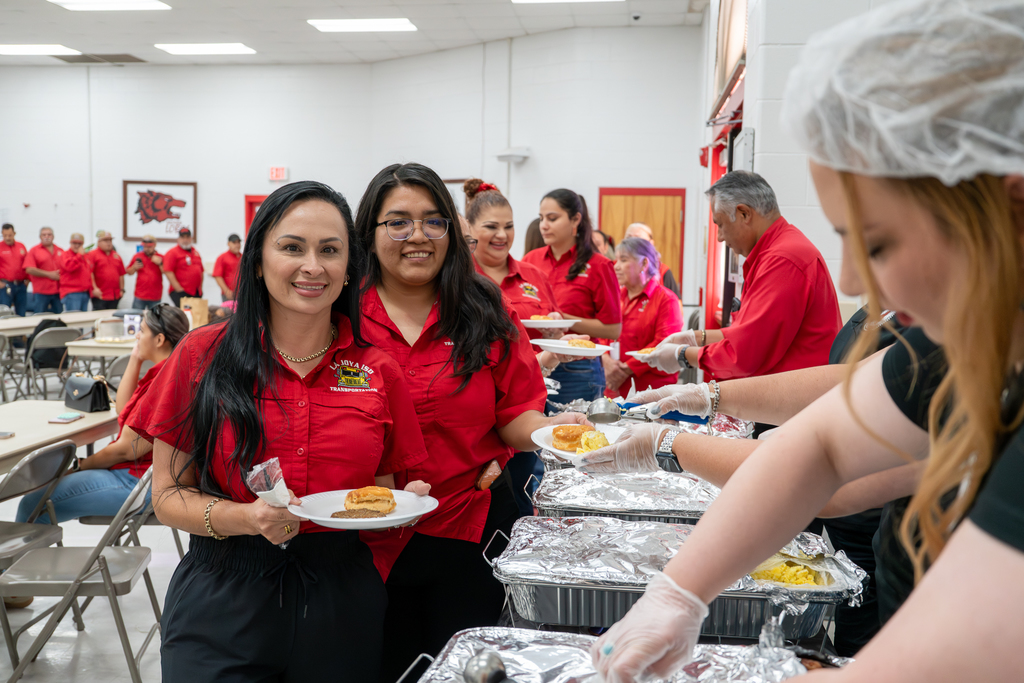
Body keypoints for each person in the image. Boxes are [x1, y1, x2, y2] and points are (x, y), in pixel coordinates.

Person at [590, 3, 1024, 681]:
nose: (853, 278)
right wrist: (680, 588)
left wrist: (674, 432)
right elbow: (818, 442)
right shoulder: (973, 345)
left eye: (875, 242)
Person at [132, 181, 431, 682]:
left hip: (341, 596)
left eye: (330, 250)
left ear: (349, 269)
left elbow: (379, 489)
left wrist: (399, 503)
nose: (313, 266)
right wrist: (246, 518)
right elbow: (166, 497)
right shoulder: (201, 355)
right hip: (223, 593)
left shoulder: (379, 369)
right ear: (257, 261)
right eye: (292, 247)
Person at [352, 163, 590, 682]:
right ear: (368, 233)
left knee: (460, 668)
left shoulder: (483, 308)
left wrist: (556, 431)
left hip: (467, 526)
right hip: (359, 539)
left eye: (433, 221)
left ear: (452, 232)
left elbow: (514, 414)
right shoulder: (338, 313)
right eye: (397, 222)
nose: (417, 235)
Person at [641, 172, 841, 384]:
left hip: (798, 399)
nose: (719, 237)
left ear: (744, 214)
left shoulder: (783, 260)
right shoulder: (774, 252)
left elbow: (744, 356)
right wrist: (696, 337)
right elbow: (748, 333)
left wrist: (682, 355)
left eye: (720, 224)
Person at [463, 177, 589, 516]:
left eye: (509, 226)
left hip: (529, 401)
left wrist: (557, 347)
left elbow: (547, 331)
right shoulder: (459, 282)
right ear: (469, 228)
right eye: (491, 226)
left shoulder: (533, 275)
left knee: (523, 490)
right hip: (479, 414)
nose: (502, 235)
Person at [17, 304, 189, 524]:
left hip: (141, 483)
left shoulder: (165, 383)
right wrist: (136, 358)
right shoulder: (170, 371)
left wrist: (80, 466)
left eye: (143, 331)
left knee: (33, 503)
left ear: (159, 340)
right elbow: (123, 409)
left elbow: (125, 450)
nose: (137, 335)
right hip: (146, 477)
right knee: (39, 498)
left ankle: (26, 559)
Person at [523, 188, 622, 401]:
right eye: (541, 218)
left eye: (552, 218)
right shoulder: (530, 261)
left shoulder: (599, 265)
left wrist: (563, 319)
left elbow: (613, 329)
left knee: (574, 431)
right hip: (535, 362)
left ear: (575, 219)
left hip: (577, 368)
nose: (544, 225)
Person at [602, 238, 683, 399]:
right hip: (613, 386)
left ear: (644, 264)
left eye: (623, 260)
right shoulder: (616, 297)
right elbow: (603, 333)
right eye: (616, 260)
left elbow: (663, 343)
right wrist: (606, 360)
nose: (616, 266)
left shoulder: (666, 299)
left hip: (652, 392)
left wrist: (625, 369)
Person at [623, 222, 681, 298]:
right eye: (629, 238)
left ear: (651, 243)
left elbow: (677, 306)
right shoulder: (614, 268)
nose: (632, 243)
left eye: (638, 238)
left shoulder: (662, 271)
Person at [22, 227, 63, 314]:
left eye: (49, 234)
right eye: (44, 235)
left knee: (59, 317)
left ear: (53, 236)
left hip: (57, 291)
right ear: (40, 237)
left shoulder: (60, 250)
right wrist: (49, 274)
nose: (46, 237)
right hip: (41, 292)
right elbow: (29, 269)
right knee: (39, 316)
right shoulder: (34, 251)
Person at [162, 228, 204, 307]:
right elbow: (168, 271)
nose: (185, 240)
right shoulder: (172, 252)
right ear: (178, 239)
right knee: (184, 316)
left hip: (195, 292)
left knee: (196, 316)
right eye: (183, 237)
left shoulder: (195, 252)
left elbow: (200, 271)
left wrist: (200, 289)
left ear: (191, 238)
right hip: (181, 292)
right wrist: (179, 290)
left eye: (187, 237)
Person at [87, 230, 126, 310]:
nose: (108, 243)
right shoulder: (92, 254)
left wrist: (122, 289)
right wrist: (94, 288)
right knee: (99, 318)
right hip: (100, 295)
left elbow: (121, 274)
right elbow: (89, 273)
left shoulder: (116, 256)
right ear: (99, 242)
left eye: (110, 240)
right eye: (105, 240)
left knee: (112, 318)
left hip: (114, 295)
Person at [126, 235, 164, 309]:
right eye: (145, 246)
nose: (147, 249)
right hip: (140, 295)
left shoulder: (160, 257)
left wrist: (160, 263)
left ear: (154, 245)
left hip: (155, 296)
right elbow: (129, 272)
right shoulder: (137, 256)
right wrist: (134, 267)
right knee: (136, 317)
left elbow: (166, 272)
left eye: (149, 247)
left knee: (154, 319)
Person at [57, 232, 92, 312]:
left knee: (83, 321)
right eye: (74, 243)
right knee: (74, 319)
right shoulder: (65, 255)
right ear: (70, 243)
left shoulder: (85, 256)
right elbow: (69, 267)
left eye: (79, 244)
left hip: (84, 293)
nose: (76, 245)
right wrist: (79, 255)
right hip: (72, 293)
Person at [0, 223, 29, 316]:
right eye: (5, 235)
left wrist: (28, 280)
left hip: (21, 285)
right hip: (5, 286)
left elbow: (27, 264)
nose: (7, 238)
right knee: (5, 313)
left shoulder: (21, 246)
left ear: (14, 233)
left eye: (10, 235)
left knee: (21, 313)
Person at [213, 233, 242, 302]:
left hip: (242, 294)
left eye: (238, 242)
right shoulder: (222, 258)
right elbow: (218, 276)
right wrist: (226, 291)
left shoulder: (243, 258)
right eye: (234, 243)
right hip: (230, 295)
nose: (237, 245)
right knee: (229, 312)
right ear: (228, 244)